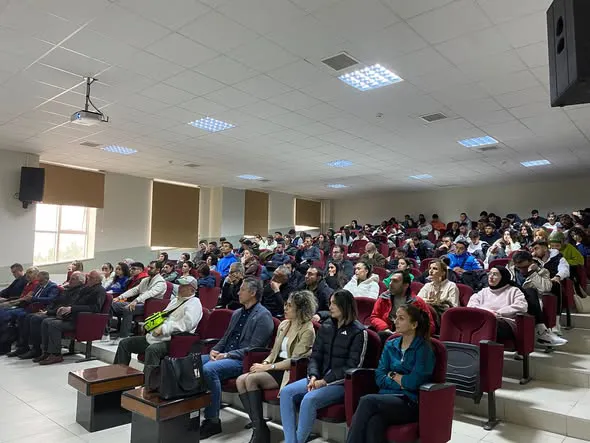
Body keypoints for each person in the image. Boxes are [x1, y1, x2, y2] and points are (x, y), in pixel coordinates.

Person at [279, 290, 368, 443]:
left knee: (309, 399)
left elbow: (353, 366)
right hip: (318, 378)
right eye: (330, 303)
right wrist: (313, 376)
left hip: (340, 383)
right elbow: (315, 356)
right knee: (287, 392)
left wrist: (325, 381)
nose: (330, 307)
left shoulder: (359, 332)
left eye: (334, 304)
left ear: (344, 306)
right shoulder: (326, 326)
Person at [346, 301, 435, 443]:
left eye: (401, 318)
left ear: (414, 325)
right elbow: (379, 376)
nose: (395, 321)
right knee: (375, 422)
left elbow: (414, 382)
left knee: (367, 401)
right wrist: (400, 380)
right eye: (395, 317)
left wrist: (392, 375)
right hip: (385, 398)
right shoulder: (390, 344)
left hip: (409, 402)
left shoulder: (424, 349)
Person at [236, 290, 317, 443]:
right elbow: (274, 351)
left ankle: (259, 433)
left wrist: (268, 367)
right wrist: (265, 363)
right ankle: (259, 428)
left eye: (289, 306)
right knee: (240, 380)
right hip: (274, 364)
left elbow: (295, 359)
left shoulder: (308, 329)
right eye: (285, 304)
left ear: (300, 309)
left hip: (289, 370)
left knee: (251, 380)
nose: (285, 308)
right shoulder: (284, 324)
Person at [200, 278, 274, 439]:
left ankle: (212, 420)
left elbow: (254, 349)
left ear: (253, 293)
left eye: (242, 289)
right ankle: (190, 411)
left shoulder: (263, 316)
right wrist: (215, 349)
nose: (238, 292)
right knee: (194, 363)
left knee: (208, 369)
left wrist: (227, 355)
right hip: (225, 355)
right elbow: (225, 338)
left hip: (242, 361)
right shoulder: (237, 313)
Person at [114, 276, 203, 379]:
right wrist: (150, 326)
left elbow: (186, 325)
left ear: (192, 290)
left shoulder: (194, 303)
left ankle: (149, 383)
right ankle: (118, 377)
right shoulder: (175, 301)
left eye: (183, 286)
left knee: (153, 350)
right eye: (180, 285)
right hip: (157, 337)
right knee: (125, 343)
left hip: (174, 340)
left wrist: (163, 329)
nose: (179, 287)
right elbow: (163, 317)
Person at [37, 270, 106, 365]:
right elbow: (75, 302)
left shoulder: (100, 290)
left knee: (53, 324)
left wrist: (72, 308)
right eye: (88, 276)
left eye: (91, 277)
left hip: (82, 321)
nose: (88, 279)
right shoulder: (86, 288)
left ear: (97, 280)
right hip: (72, 317)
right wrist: (64, 309)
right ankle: (46, 352)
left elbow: (95, 308)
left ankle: (56, 354)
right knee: (46, 321)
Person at [12, 271, 86, 359]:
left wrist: (48, 312)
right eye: (70, 278)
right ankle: (30, 347)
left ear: (81, 281)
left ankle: (39, 350)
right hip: (54, 312)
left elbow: (65, 306)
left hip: (64, 316)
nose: (69, 281)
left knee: (36, 319)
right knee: (28, 317)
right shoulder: (67, 290)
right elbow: (55, 302)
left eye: (73, 279)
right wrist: (47, 310)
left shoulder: (80, 291)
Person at [508, 251, 567, 346]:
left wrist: (532, 273)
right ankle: (542, 332)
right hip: (512, 299)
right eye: (519, 267)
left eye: (525, 267)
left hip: (532, 301)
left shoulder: (543, 271)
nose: (522, 270)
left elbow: (546, 288)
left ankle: (542, 331)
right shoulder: (509, 272)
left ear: (531, 262)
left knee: (530, 291)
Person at [370, 271, 434, 343]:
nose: (390, 284)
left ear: (405, 285)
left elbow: (430, 325)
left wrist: (408, 332)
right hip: (387, 332)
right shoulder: (383, 298)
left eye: (395, 281)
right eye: (390, 280)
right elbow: (374, 317)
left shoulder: (417, 302)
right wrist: (385, 328)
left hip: (409, 337)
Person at [467, 267, 528, 341]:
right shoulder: (483, 291)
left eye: (495, 274)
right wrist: (489, 313)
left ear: (503, 277)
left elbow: (522, 306)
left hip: (504, 322)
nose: (491, 277)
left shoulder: (513, 290)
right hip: (483, 318)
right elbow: (472, 305)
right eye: (490, 274)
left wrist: (498, 313)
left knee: (491, 323)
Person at [111, 261, 166, 341]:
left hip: (149, 306)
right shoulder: (146, 280)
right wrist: (119, 297)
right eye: (148, 267)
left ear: (158, 270)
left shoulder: (161, 282)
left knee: (128, 308)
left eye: (151, 268)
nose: (148, 269)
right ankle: (105, 333)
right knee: (112, 304)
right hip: (139, 303)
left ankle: (124, 336)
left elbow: (150, 293)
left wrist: (136, 300)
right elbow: (135, 290)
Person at [417, 260, 459, 328]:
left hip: (443, 317)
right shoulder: (427, 285)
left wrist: (437, 303)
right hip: (426, 315)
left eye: (435, 269)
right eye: (430, 268)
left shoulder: (451, 286)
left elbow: (454, 307)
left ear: (443, 273)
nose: (431, 271)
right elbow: (417, 300)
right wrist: (425, 301)